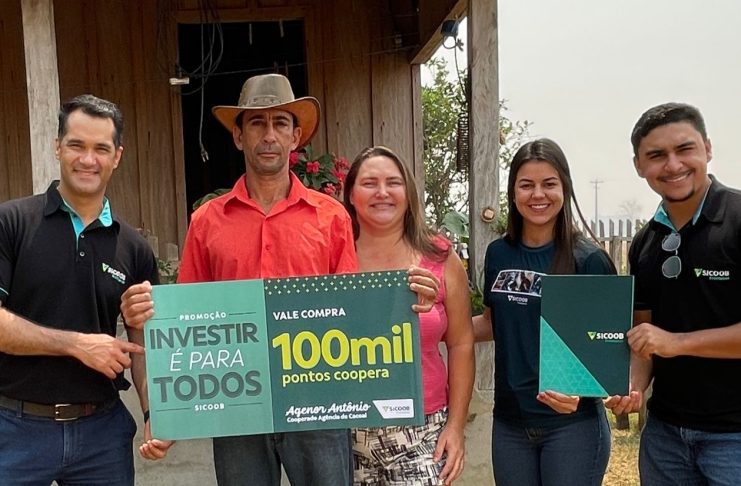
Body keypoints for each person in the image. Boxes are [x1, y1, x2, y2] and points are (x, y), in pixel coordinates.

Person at [121, 74, 439, 485]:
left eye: (280, 123)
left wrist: (404, 301)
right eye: (257, 123)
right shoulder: (207, 221)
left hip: (318, 400)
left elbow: (352, 313)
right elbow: (190, 322)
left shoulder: (330, 217)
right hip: (237, 404)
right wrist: (169, 413)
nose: (269, 135)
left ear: (295, 137)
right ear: (239, 137)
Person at [0, 94, 158, 485]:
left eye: (101, 149)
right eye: (76, 145)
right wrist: (77, 345)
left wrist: (155, 412)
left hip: (101, 436)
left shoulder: (134, 248)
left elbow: (145, 345)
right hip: (13, 429)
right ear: (58, 147)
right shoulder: (12, 223)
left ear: (117, 156)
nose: (88, 159)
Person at [606, 102, 741, 485]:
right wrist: (633, 386)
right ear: (639, 165)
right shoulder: (645, 243)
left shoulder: (738, 219)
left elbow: (663, 341)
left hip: (734, 438)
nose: (673, 164)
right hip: (664, 436)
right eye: (656, 155)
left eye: (685, 149)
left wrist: (675, 342)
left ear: (707, 149)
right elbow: (645, 341)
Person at [472, 138, 616, 486]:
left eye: (549, 184)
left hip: (572, 427)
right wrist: (430, 329)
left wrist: (583, 392)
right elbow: (493, 322)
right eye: (527, 185)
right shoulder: (498, 254)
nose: (538, 194)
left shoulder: (589, 260)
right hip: (509, 423)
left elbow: (608, 345)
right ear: (513, 192)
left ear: (564, 188)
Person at [344, 146, 474, 486]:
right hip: (347, 430)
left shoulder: (440, 257)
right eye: (369, 183)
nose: (382, 192)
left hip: (423, 429)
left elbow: (461, 343)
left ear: (409, 193)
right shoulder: (332, 257)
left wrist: (456, 426)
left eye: (393, 182)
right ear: (351, 195)